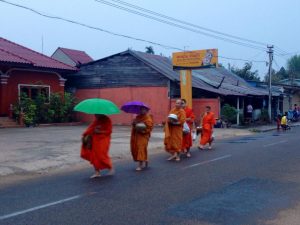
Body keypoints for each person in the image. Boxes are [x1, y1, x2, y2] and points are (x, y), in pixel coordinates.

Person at [80, 114, 114, 178]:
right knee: (94, 155)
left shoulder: (107, 120)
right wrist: (85, 134)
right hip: (95, 140)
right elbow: (90, 128)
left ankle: (110, 167)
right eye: (95, 114)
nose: (95, 115)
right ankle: (97, 172)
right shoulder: (96, 120)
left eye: (97, 114)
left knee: (101, 155)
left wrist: (100, 131)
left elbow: (109, 131)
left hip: (103, 140)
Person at [130, 107, 153, 171]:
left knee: (141, 148)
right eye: (141, 109)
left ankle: (140, 165)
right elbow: (135, 126)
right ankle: (145, 159)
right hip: (137, 135)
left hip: (144, 136)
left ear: (147, 110)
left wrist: (143, 131)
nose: (142, 111)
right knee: (138, 148)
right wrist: (134, 124)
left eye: (144, 110)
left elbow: (149, 127)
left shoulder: (148, 118)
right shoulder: (138, 117)